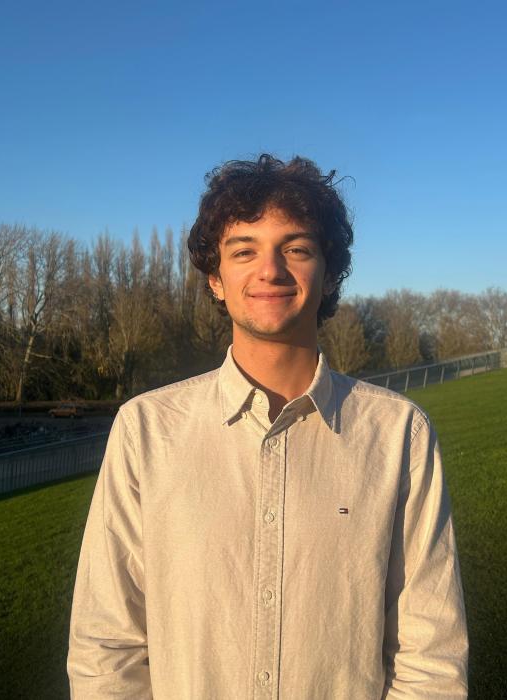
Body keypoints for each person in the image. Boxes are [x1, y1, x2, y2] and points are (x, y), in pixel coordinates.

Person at [67, 154, 468, 699]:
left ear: (330, 274)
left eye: (296, 249)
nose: (271, 270)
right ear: (215, 279)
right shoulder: (146, 430)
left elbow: (431, 655)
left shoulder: (399, 434)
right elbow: (105, 645)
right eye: (244, 251)